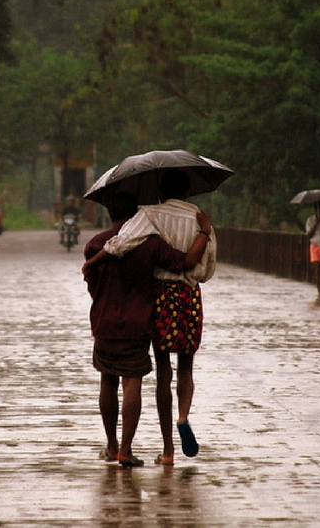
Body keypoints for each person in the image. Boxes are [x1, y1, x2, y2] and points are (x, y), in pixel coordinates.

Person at [84, 170, 215, 465]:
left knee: (138, 376)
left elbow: (116, 249)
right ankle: (179, 420)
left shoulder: (141, 222)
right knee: (181, 368)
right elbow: (200, 267)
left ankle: (143, 448)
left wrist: (93, 262)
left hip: (126, 313)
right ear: (187, 189)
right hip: (179, 300)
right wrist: (203, 234)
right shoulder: (197, 221)